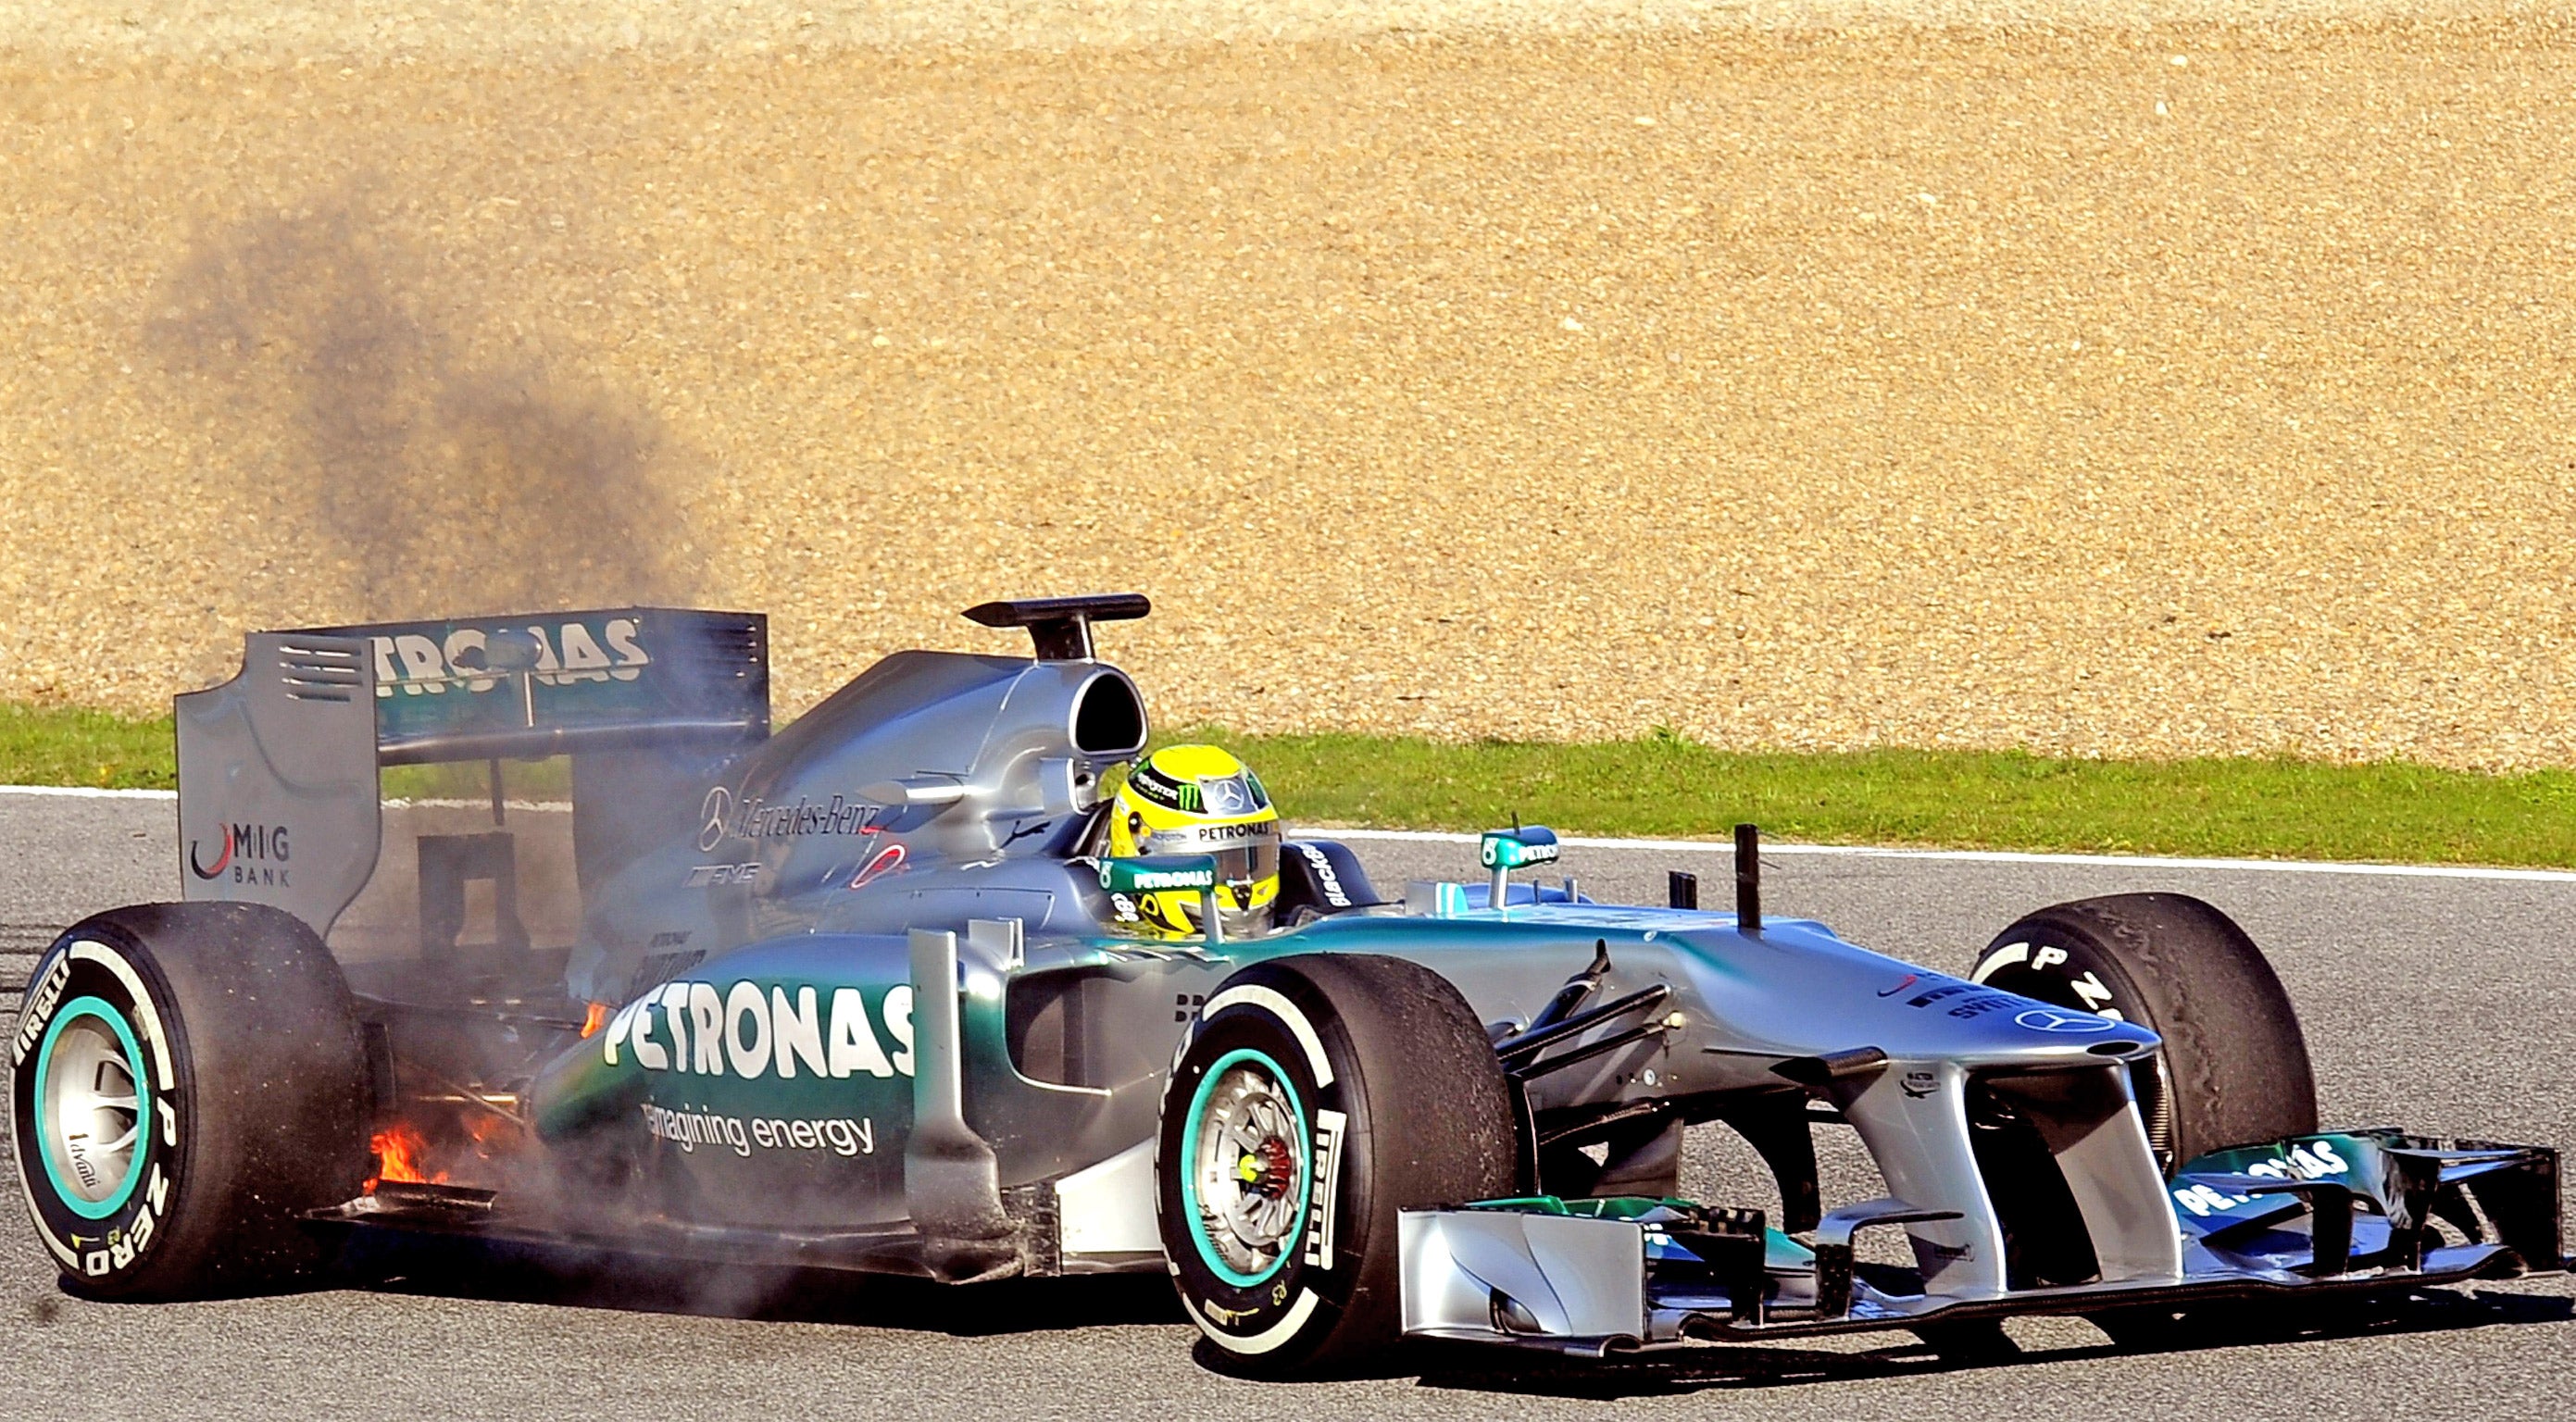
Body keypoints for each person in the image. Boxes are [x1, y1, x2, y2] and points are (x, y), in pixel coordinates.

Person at [1102, 744, 1282, 939]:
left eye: (1245, 860)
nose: (1241, 883)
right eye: (1212, 864)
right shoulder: (1089, 907)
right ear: (1139, 843)